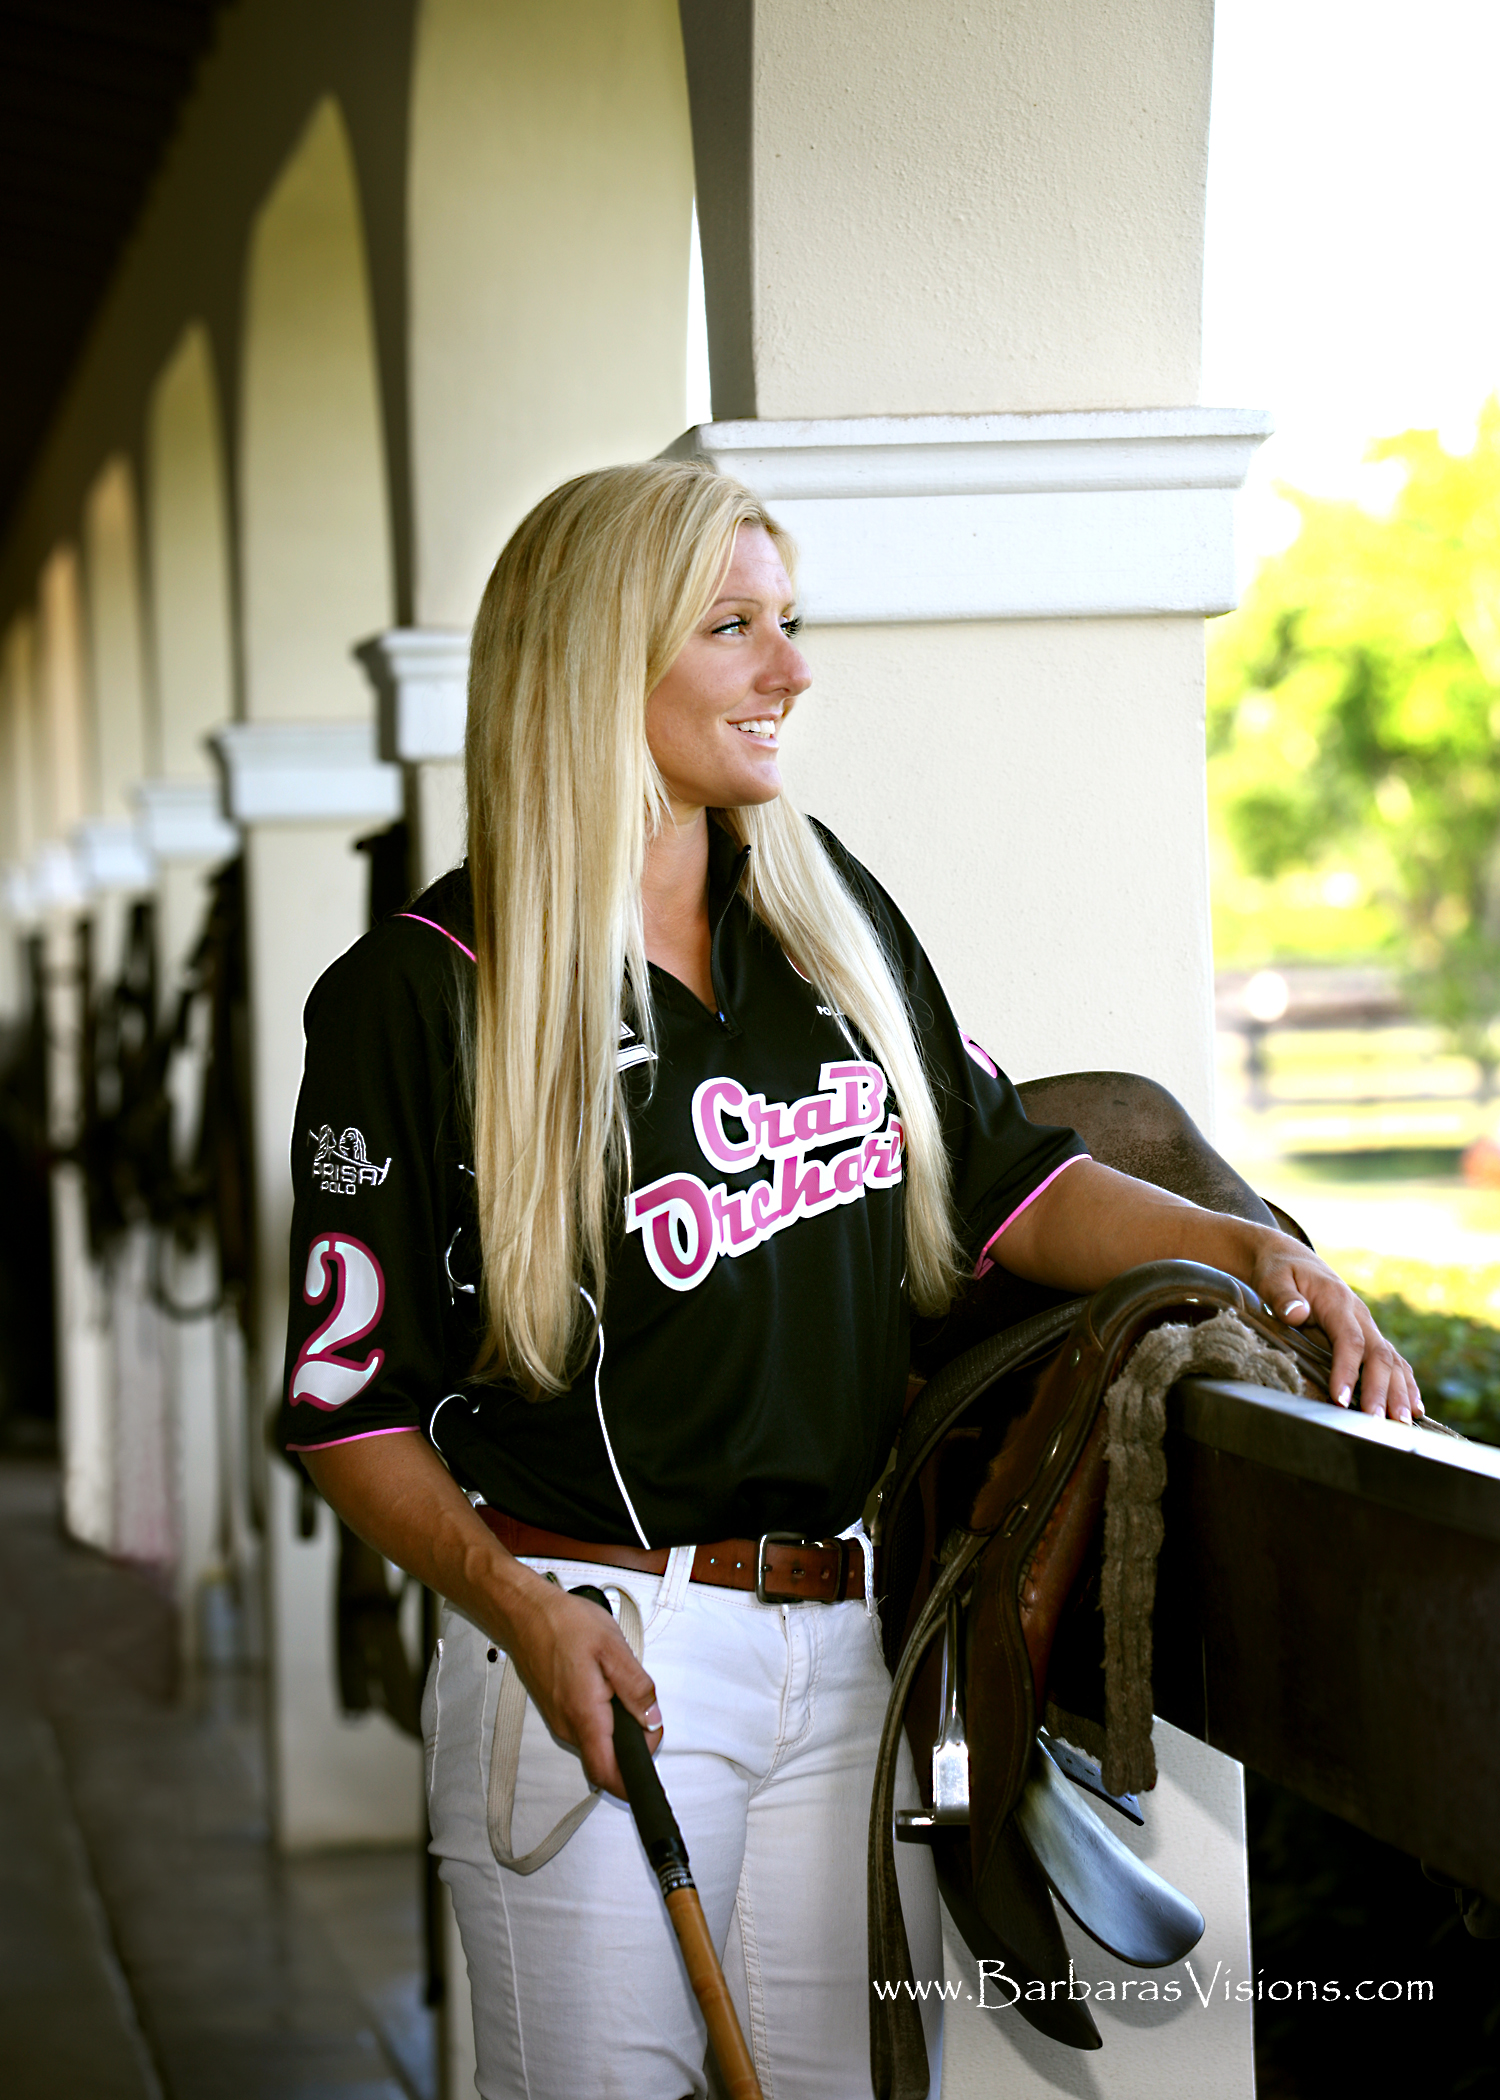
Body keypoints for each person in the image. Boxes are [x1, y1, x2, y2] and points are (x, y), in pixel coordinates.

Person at [278, 460, 1420, 2100]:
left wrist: (1243, 1252)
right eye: (734, 627)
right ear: (599, 662)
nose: (791, 671)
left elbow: (1011, 1181)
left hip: (845, 1651)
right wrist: (522, 1615)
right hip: (602, 1648)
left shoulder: (825, 923)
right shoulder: (415, 994)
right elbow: (344, 1411)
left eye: (789, 622)